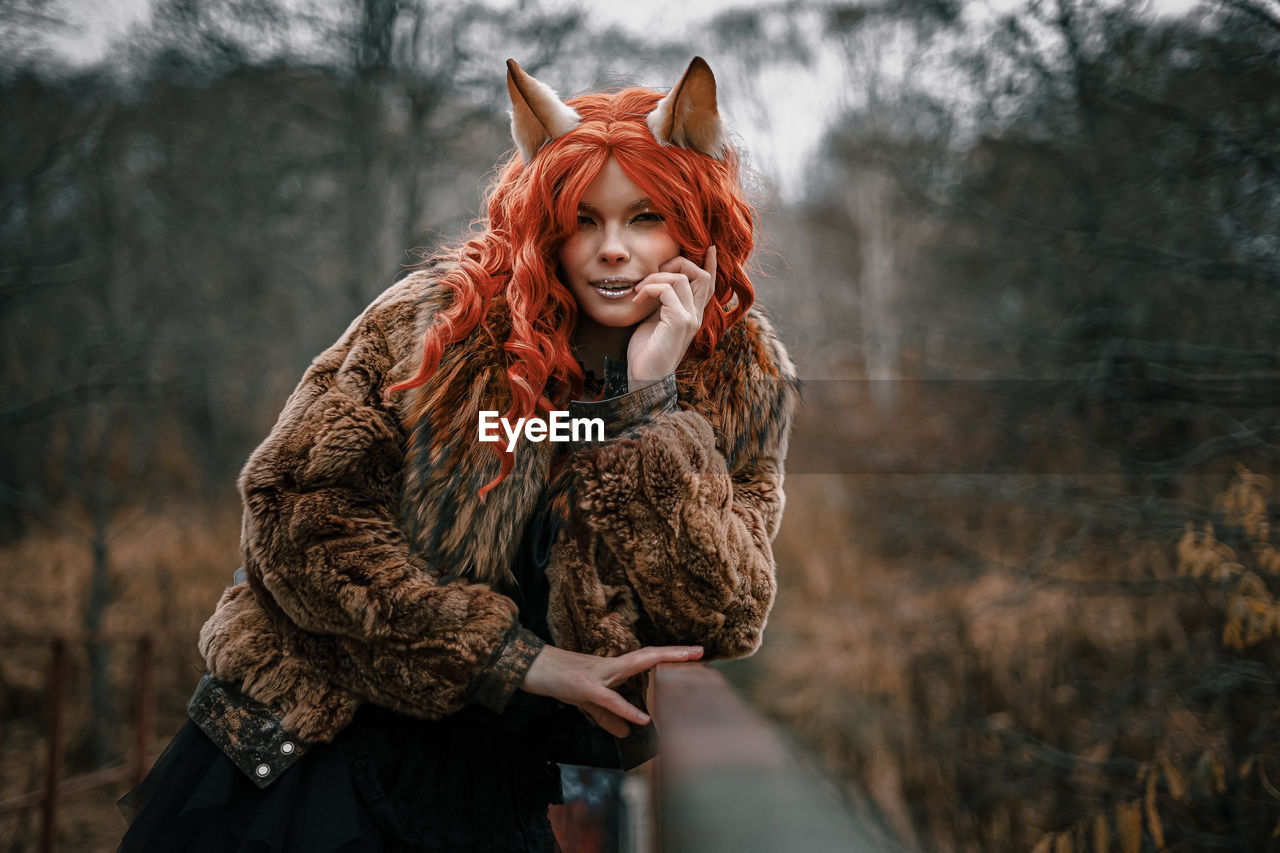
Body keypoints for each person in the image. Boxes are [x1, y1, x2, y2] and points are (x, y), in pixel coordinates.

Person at [118, 55, 798, 852]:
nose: (613, 248)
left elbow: (724, 612)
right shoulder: (440, 323)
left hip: (489, 786)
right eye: (585, 219)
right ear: (546, 220)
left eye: (644, 216)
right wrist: (518, 659)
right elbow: (296, 518)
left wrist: (648, 405)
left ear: (694, 220)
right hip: (314, 748)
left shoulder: (734, 374)